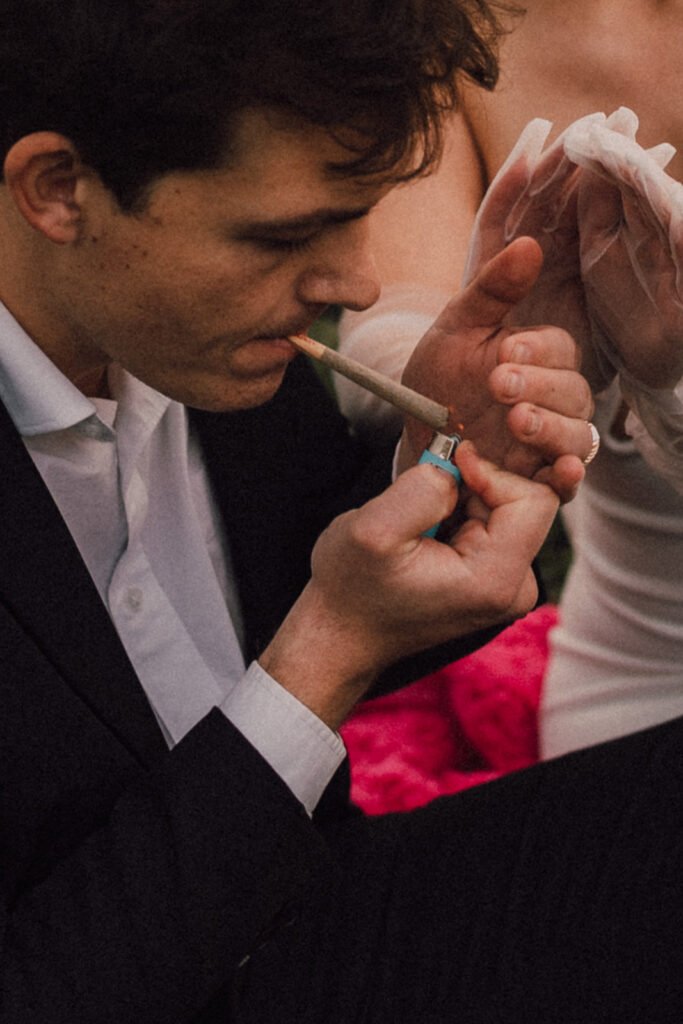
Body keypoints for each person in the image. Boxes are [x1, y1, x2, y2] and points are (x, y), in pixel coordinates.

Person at [0, 2, 680, 1022]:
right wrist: (326, 654)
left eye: (356, 217)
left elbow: (276, 574)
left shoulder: (181, 333)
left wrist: (449, 463)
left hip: (320, 917)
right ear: (58, 190)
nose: (351, 284)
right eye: (282, 235)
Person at [338, 0, 683, 759]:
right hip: (633, 677)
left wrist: (669, 394)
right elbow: (387, 335)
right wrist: (502, 359)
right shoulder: (451, 22)